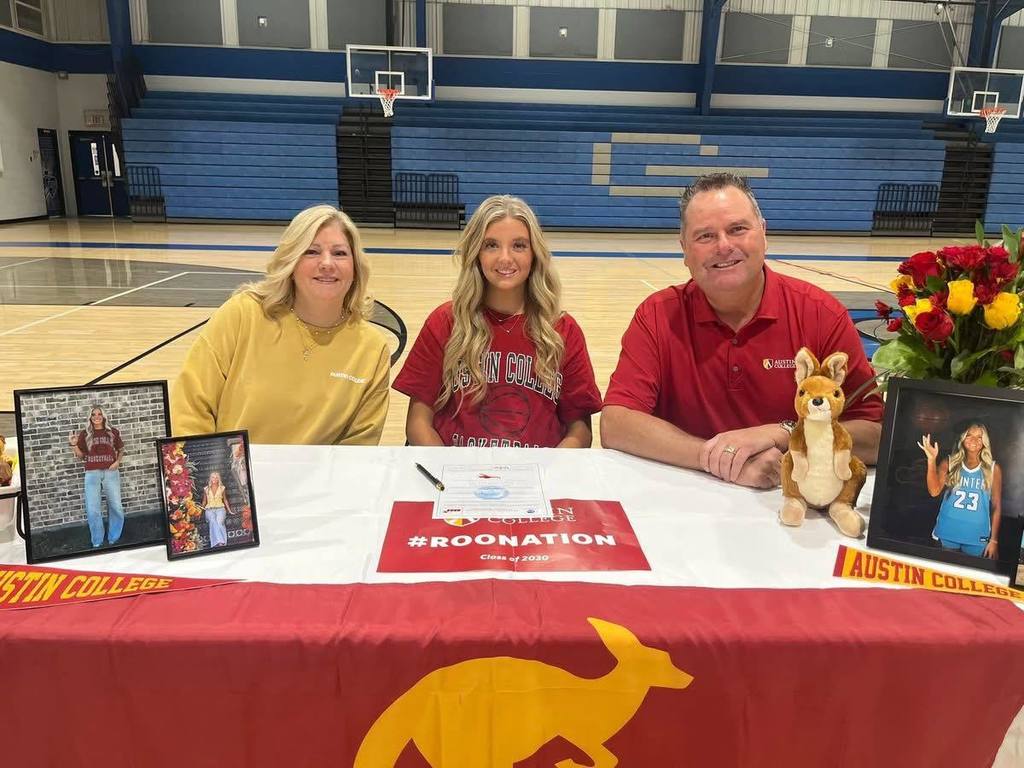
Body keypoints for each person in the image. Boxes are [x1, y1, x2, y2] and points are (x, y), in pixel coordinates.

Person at [601, 173, 883, 488]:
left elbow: (874, 433)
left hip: (792, 501)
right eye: (705, 236)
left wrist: (785, 433)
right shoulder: (657, 315)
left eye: (737, 229)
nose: (724, 246)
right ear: (684, 249)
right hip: (686, 495)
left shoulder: (821, 315)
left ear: (763, 234)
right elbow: (616, 423)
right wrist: (722, 460)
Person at [172, 205, 391, 445]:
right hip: (228, 478)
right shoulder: (243, 314)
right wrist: (205, 473)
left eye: (339, 253)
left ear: (355, 268)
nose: (327, 263)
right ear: (291, 263)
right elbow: (191, 405)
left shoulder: (372, 348)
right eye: (311, 252)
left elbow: (360, 445)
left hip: (318, 481)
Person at [394, 195, 602, 448]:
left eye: (519, 246)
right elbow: (417, 423)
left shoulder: (562, 331)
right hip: (456, 477)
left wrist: (546, 479)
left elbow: (580, 431)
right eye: (491, 245)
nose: (505, 258)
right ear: (476, 253)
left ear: (535, 253)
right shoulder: (445, 322)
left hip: (537, 480)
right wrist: (452, 480)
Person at [918, 424, 1002, 559]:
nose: (974, 440)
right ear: (962, 438)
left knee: (970, 577)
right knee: (944, 576)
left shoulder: (993, 468)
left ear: (985, 441)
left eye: (979, 437)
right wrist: (931, 460)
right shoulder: (949, 462)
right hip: (948, 531)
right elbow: (934, 491)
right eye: (969, 435)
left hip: (977, 535)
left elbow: (996, 506)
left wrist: (994, 540)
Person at [68, 406, 125, 548]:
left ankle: (114, 537)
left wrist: (117, 462)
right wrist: (74, 445)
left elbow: (121, 449)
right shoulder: (85, 434)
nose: (97, 417)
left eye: (99, 414)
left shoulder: (112, 432)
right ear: (90, 417)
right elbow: (81, 457)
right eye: (93, 414)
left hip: (110, 472)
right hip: (92, 473)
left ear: (104, 416)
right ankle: (97, 540)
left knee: (116, 506)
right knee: (93, 508)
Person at [200, 471, 232, 548]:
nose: (214, 479)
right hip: (209, 510)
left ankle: (217, 543)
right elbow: (204, 501)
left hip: (220, 509)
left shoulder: (222, 488)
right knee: (213, 521)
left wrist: (229, 510)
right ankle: (221, 542)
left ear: (218, 479)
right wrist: (200, 511)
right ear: (210, 479)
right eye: (213, 477)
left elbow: (225, 500)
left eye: (216, 477)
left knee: (219, 522)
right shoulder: (206, 489)